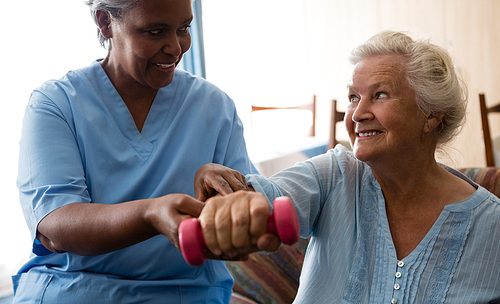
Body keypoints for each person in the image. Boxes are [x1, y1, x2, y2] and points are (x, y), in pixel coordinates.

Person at [193, 31, 500, 303]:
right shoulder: (336, 173)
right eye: (353, 97)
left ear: (431, 116)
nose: (356, 114)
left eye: (379, 95)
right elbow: (267, 197)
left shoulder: (491, 224)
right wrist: (231, 192)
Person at [13, 0, 255, 303]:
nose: (176, 47)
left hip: (182, 293)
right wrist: (150, 214)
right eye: (155, 31)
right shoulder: (56, 104)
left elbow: (251, 207)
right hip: (75, 291)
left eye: (183, 28)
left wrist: (229, 207)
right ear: (105, 22)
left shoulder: (214, 106)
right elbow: (56, 226)